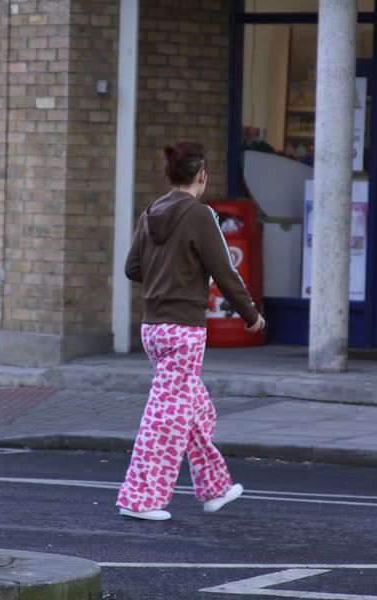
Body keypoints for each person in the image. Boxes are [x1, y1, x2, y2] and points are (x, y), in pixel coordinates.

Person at [116, 141, 266, 521]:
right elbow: (224, 271)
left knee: (195, 409)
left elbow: (132, 269)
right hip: (184, 330)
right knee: (165, 418)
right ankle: (140, 499)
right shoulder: (201, 215)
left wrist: (164, 273)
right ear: (202, 175)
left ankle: (215, 489)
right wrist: (251, 314)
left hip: (153, 328)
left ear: (170, 175)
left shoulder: (152, 212)